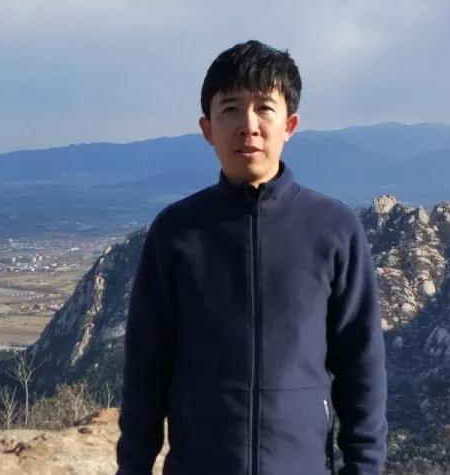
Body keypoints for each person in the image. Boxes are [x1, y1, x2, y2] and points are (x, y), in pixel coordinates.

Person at [116, 40, 387, 475]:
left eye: (264, 108)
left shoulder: (333, 229)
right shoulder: (176, 233)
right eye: (230, 109)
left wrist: (365, 467)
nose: (248, 126)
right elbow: (146, 367)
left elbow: (362, 364)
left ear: (290, 124)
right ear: (207, 129)